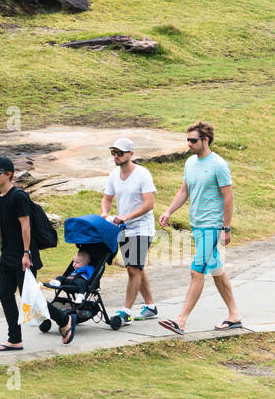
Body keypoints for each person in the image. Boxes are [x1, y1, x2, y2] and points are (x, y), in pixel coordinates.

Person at [156, 121, 242, 334]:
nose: (189, 144)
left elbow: (228, 198)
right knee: (217, 270)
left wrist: (226, 228)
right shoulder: (190, 163)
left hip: (213, 227)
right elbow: (183, 191)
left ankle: (181, 319)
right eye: (187, 140)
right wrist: (168, 211)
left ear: (206, 140)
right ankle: (234, 315)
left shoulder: (218, 165)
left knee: (197, 271)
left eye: (193, 140)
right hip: (197, 225)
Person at [0, 155, 43, 352]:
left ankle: (64, 321)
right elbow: (0, 222)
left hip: (23, 256)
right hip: (8, 255)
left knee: (30, 298)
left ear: (9, 174)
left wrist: (26, 253)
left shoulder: (18, 196)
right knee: (5, 295)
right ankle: (15, 339)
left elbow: (25, 226)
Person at [100, 137, 157, 322]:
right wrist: (104, 213)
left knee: (133, 268)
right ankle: (150, 306)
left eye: (120, 153)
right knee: (136, 268)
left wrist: (127, 216)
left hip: (142, 227)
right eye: (113, 153)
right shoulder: (113, 175)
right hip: (123, 228)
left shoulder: (143, 174)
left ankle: (126, 310)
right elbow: (107, 198)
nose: (116, 156)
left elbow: (149, 204)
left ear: (130, 154)